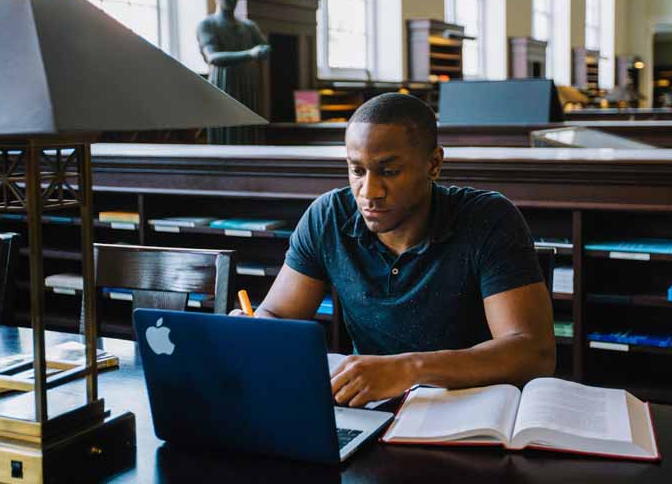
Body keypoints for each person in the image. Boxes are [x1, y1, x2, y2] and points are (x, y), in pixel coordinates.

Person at [232, 93, 555, 407]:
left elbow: (533, 354)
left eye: (388, 171)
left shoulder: (488, 218)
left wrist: (407, 370)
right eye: (357, 171)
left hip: (469, 411)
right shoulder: (328, 215)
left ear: (434, 164)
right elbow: (278, 315)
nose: (369, 192)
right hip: (370, 409)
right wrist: (257, 331)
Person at [197, 0, 270, 144]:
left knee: (249, 134)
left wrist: (262, 50)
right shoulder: (207, 24)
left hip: (247, 84)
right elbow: (213, 57)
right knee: (226, 134)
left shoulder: (248, 26)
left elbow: (265, 47)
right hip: (224, 84)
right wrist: (250, 54)